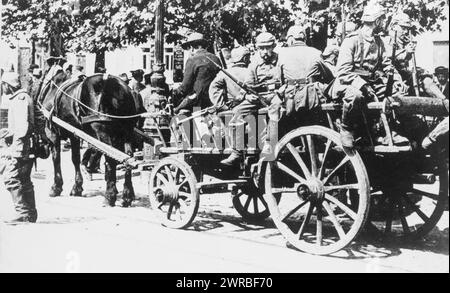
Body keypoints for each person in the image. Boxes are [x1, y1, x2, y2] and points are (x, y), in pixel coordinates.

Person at [331, 2, 404, 149]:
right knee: (357, 95)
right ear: (377, 21)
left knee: (396, 94)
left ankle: (387, 131)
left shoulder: (379, 42)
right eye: (383, 20)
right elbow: (343, 72)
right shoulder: (351, 40)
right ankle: (346, 129)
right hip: (348, 84)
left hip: (371, 84)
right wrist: (362, 84)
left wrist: (397, 79)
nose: (384, 23)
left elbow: (387, 65)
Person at [220, 32, 283, 165]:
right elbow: (248, 85)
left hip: (276, 96)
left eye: (268, 48)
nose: (265, 51)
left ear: (274, 46)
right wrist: (248, 95)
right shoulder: (253, 64)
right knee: (238, 111)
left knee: (276, 108)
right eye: (262, 48)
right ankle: (237, 151)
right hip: (259, 98)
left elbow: (286, 80)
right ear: (257, 48)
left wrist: (280, 91)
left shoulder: (280, 61)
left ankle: (269, 144)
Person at [0, 72, 46, 223]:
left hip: (21, 147)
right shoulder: (25, 97)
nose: (2, 87)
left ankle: (22, 212)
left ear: (8, 85)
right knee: (25, 179)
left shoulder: (19, 99)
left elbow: (23, 126)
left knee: (11, 178)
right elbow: (39, 118)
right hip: (29, 145)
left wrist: (17, 149)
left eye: (3, 84)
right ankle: (30, 214)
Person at [172, 32, 221, 112]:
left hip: (197, 104)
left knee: (178, 114)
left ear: (191, 47)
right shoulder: (216, 59)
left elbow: (185, 87)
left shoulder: (192, 60)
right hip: (215, 101)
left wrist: (175, 93)